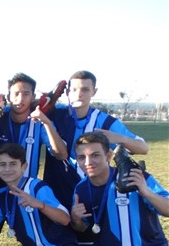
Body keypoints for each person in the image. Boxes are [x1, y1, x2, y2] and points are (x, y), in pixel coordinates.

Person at [46, 70, 149, 209]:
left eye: (85, 89)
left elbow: (143, 148)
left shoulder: (104, 121)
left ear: (94, 91)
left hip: (92, 191)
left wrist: (119, 138)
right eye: (74, 89)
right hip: (57, 191)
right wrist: (47, 98)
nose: (79, 94)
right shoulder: (54, 114)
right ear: (67, 92)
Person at [0, 73, 68, 188]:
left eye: (26, 94)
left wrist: (47, 123)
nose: (20, 99)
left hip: (29, 192)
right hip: (0, 189)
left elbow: (62, 154)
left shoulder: (40, 120)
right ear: (9, 96)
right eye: (16, 94)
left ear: (33, 97)